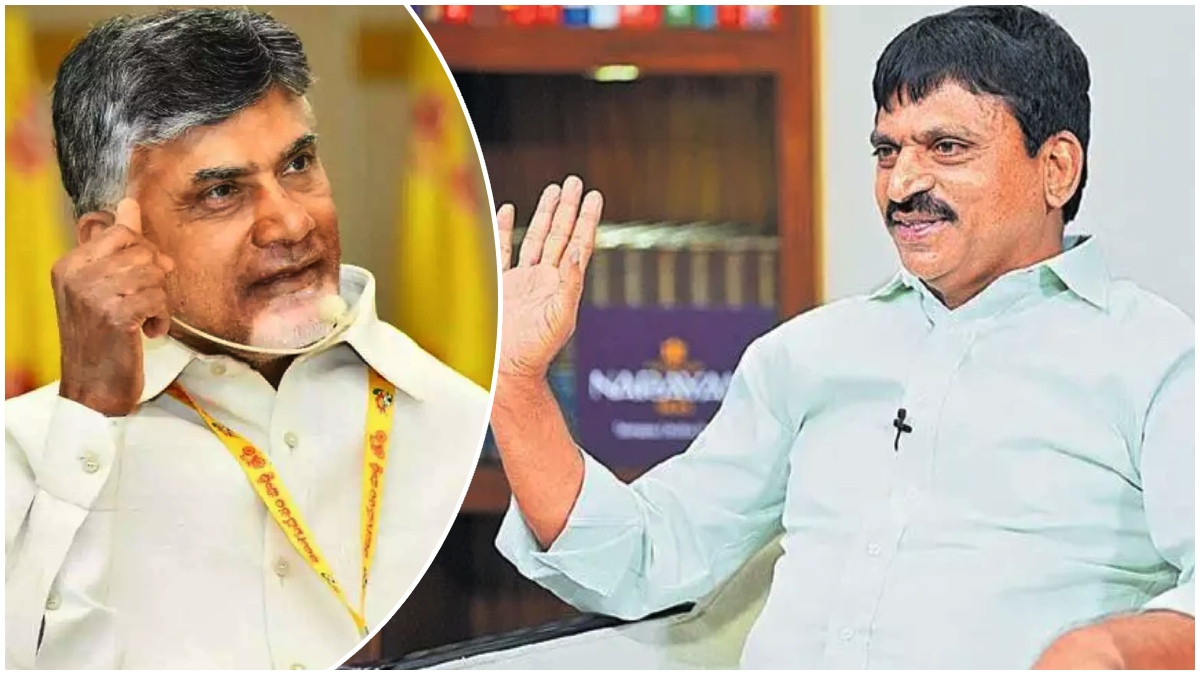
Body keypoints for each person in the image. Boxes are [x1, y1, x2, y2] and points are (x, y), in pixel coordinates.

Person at [490, 6, 1193, 670]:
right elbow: (642, 558)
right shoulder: (806, 355)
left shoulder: (1155, 359)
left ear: (1057, 168)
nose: (903, 184)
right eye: (887, 151)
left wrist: (1112, 650)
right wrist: (518, 385)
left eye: (947, 148)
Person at [5, 8, 492, 670]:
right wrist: (89, 419)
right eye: (222, 192)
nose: (290, 222)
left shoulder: (461, 418)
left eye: (298, 163)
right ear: (112, 244)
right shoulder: (26, 455)